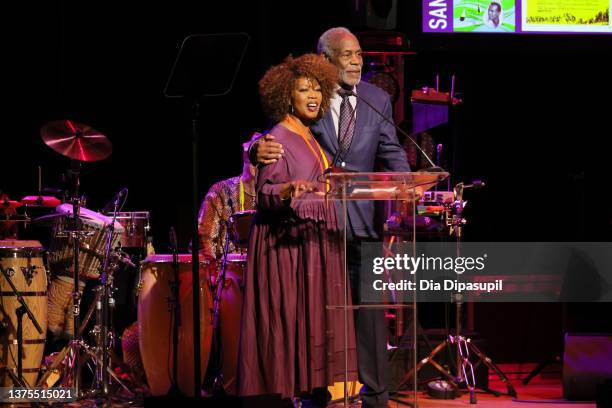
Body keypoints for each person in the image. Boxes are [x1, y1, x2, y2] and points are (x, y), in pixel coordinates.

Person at [252, 27, 411, 408]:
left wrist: (409, 185)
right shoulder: (312, 99)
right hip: (319, 226)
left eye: (359, 54)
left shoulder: (377, 100)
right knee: (319, 312)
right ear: (325, 60)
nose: (357, 61)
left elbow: (391, 150)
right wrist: (255, 149)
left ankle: (376, 397)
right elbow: (282, 138)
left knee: (371, 315)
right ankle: (316, 392)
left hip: (364, 223)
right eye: (347, 55)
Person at [236, 53, 357, 405]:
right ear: (288, 96)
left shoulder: (307, 134)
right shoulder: (276, 138)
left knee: (315, 324)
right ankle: (293, 392)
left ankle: (312, 390)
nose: (313, 96)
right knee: (291, 321)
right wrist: (289, 190)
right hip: (288, 249)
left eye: (318, 89)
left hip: (313, 244)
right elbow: (265, 194)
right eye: (304, 89)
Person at [196, 133, 259, 262]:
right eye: (252, 154)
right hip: (227, 276)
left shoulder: (274, 197)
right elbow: (204, 241)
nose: (255, 161)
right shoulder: (221, 191)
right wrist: (218, 274)